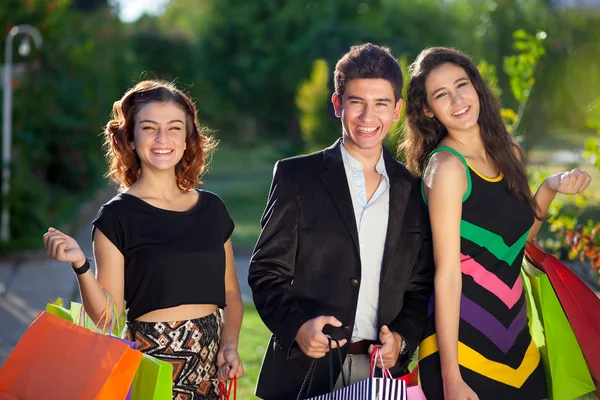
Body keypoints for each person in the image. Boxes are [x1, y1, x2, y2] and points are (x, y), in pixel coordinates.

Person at [400, 47, 592, 400]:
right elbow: (447, 275)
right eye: (441, 95)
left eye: (462, 85)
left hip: (518, 345)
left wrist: (550, 187)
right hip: (463, 350)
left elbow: (511, 247)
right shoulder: (447, 169)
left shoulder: (509, 152)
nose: (457, 99)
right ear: (428, 109)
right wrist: (452, 380)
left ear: (476, 86)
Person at [248, 43, 435, 400]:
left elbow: (418, 286)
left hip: (381, 371)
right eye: (356, 102)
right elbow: (266, 273)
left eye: (381, 103)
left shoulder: (412, 189)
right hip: (305, 367)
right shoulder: (295, 177)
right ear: (337, 104)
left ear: (396, 110)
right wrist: (298, 327)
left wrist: (403, 339)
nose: (368, 117)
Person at [42, 80, 244, 400]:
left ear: (187, 137)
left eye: (174, 128)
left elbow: (232, 292)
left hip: (211, 371)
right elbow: (108, 317)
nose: (162, 139)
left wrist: (230, 344)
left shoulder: (212, 209)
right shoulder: (116, 218)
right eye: (149, 128)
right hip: (152, 369)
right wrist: (81, 265)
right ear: (131, 139)